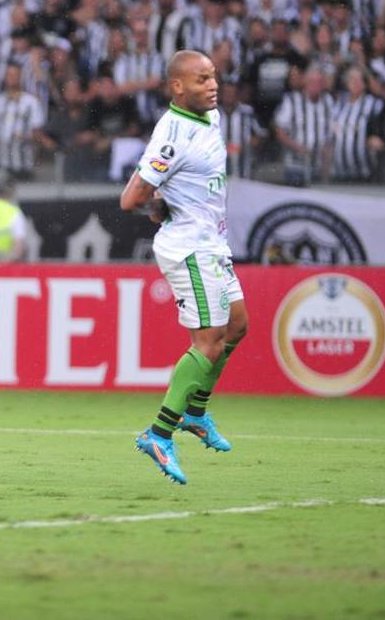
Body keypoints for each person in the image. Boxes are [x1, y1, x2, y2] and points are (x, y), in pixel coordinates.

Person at [119, 50, 248, 485]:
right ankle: (159, 434)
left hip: (213, 242)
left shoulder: (210, 116)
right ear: (178, 87)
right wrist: (158, 206)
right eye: (201, 79)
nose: (213, 86)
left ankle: (195, 413)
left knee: (237, 326)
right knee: (209, 341)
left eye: (214, 77)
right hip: (189, 247)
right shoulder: (172, 135)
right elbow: (131, 198)